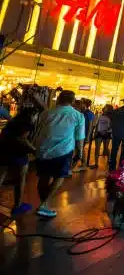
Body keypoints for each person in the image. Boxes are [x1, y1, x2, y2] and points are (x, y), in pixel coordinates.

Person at [34, 90, 85, 218]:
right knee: (60, 177)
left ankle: (44, 205)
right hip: (63, 151)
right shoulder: (78, 116)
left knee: (43, 178)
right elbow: (79, 138)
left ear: (58, 99)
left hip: (43, 149)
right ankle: (44, 204)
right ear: (73, 101)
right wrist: (80, 152)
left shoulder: (46, 113)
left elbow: (38, 130)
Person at [0, 107, 38, 216]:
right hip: (18, 154)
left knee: (1, 176)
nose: (36, 118)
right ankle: (18, 206)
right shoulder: (27, 125)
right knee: (20, 180)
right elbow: (22, 139)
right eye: (36, 116)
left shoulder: (12, 122)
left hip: (3, 152)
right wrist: (34, 150)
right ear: (31, 115)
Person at [90, 104, 113, 169]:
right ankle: (96, 163)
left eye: (105, 107)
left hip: (107, 133)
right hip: (99, 133)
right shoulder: (100, 115)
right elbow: (97, 124)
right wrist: (95, 133)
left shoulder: (111, 117)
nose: (104, 108)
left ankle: (109, 160)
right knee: (97, 148)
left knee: (106, 148)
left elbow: (112, 126)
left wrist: (106, 131)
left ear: (108, 109)